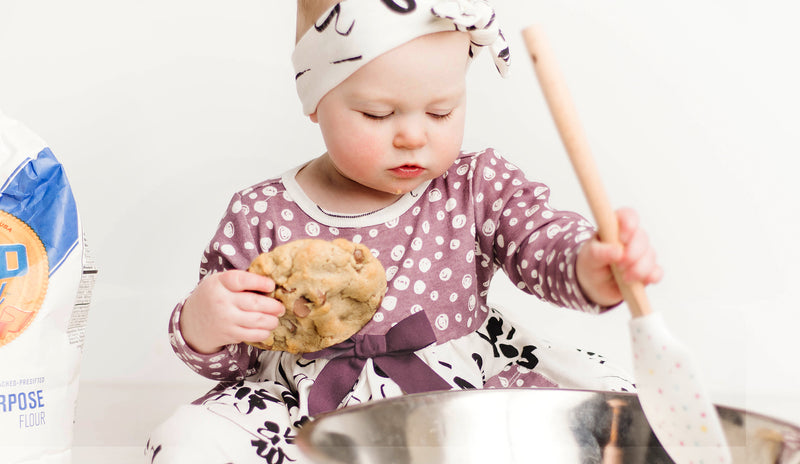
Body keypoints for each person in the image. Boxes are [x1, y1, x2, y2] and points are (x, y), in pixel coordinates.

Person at [146, 0, 662, 462]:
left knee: (617, 417)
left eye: (442, 111)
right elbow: (233, 361)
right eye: (378, 113)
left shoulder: (473, 184)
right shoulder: (261, 211)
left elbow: (539, 244)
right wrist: (206, 322)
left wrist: (590, 265)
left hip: (463, 391)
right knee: (187, 441)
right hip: (302, 400)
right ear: (315, 101)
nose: (414, 135)